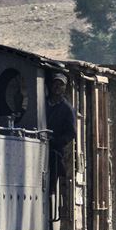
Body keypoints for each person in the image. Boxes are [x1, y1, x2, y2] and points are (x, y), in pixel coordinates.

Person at [45, 72, 76, 211]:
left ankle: (51, 203)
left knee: (54, 172)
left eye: (61, 85)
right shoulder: (42, 103)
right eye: (55, 83)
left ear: (65, 88)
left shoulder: (67, 109)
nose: (57, 87)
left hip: (54, 148)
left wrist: (57, 141)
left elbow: (71, 133)